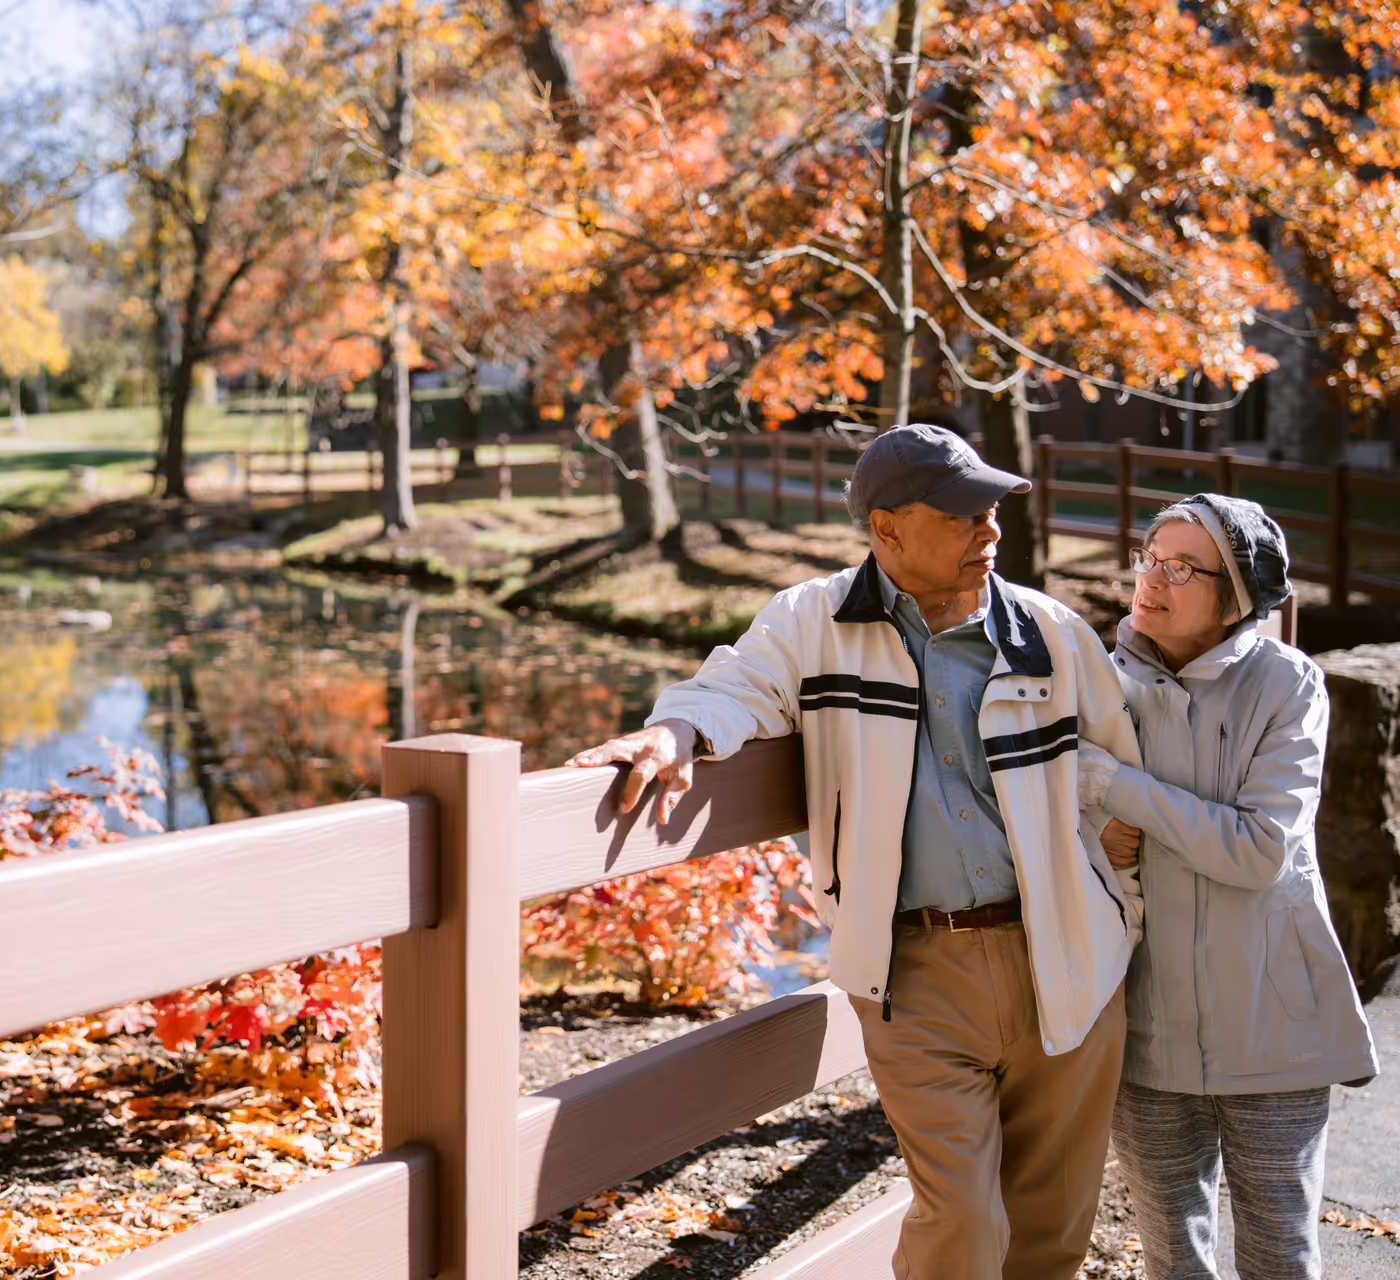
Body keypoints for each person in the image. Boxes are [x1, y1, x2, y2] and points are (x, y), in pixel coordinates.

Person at [569, 424, 1143, 1280]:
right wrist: (674, 733)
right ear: (886, 528)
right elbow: (734, 687)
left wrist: (1114, 902)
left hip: (1068, 956)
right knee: (960, 1225)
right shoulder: (814, 620)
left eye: (992, 512)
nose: (990, 532)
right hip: (916, 974)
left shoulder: (1053, 634)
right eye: (962, 517)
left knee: (1052, 1231)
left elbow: (1121, 776)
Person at [1074, 495, 1378, 1280]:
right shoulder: (1099, 687)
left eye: (1182, 567)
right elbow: (1065, 848)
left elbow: (1260, 851)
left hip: (1276, 1032)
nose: (1153, 578)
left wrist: (1120, 789)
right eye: (1149, 556)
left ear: (1235, 595)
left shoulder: (1288, 686)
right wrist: (1098, 837)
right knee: (1174, 1261)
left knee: (1279, 1257)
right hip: (1145, 1032)